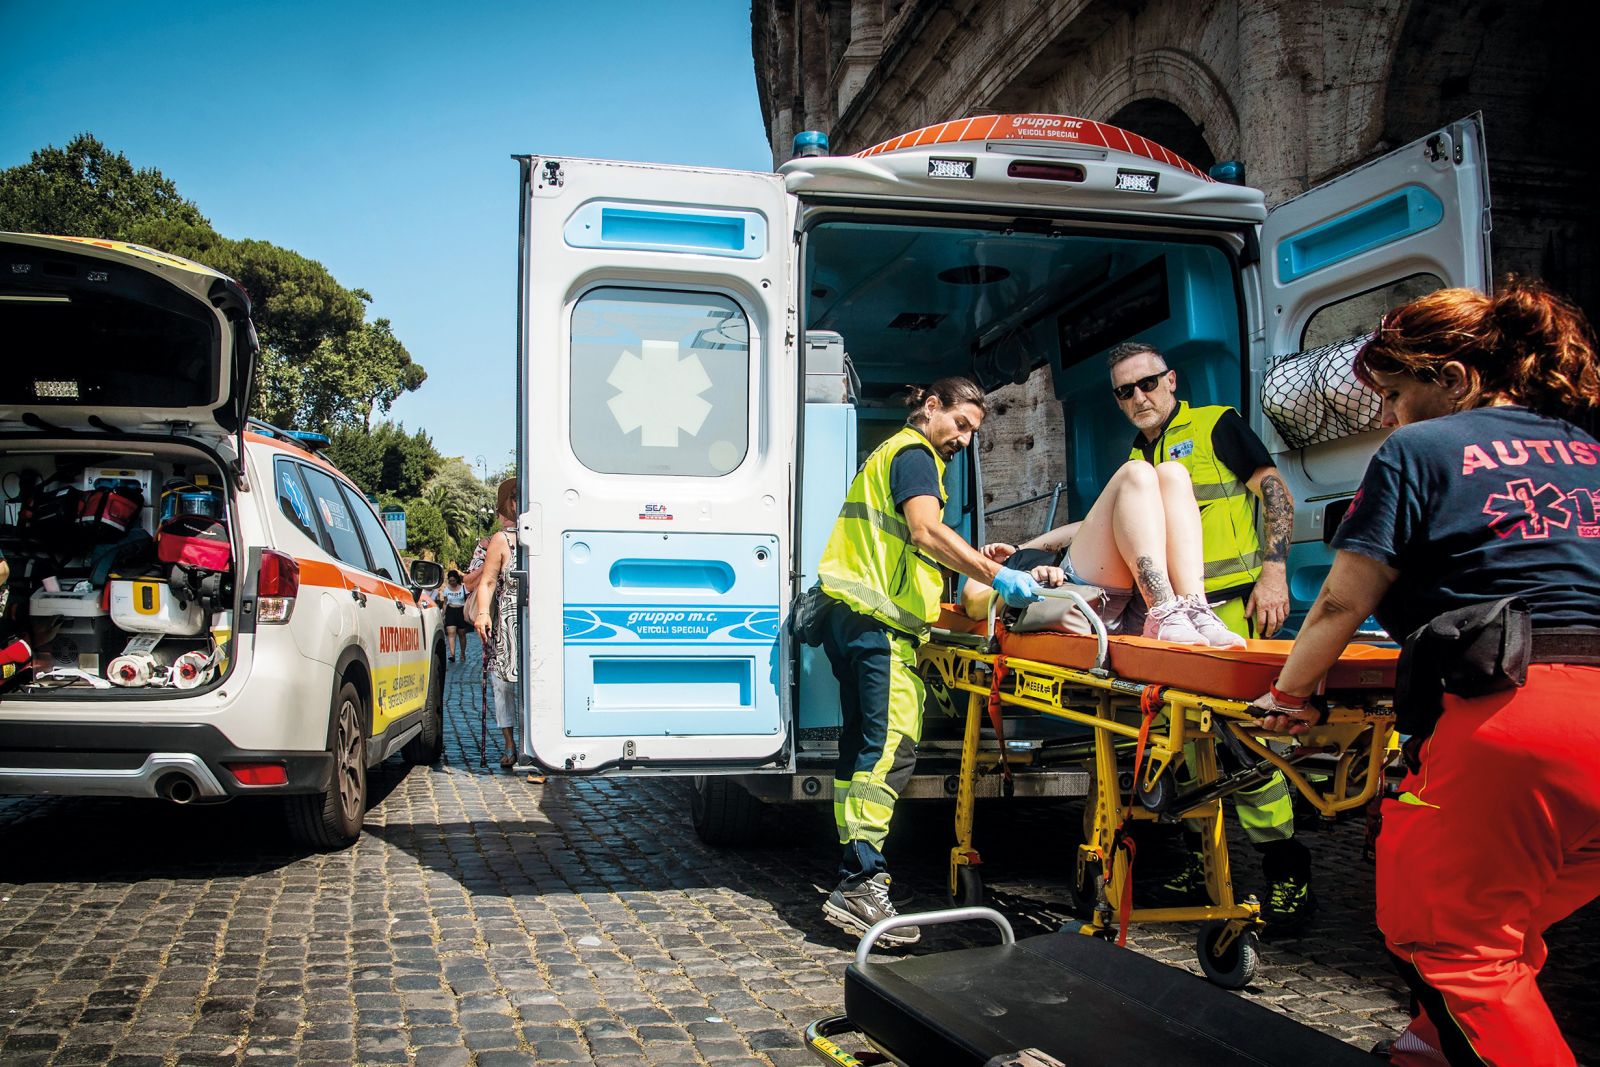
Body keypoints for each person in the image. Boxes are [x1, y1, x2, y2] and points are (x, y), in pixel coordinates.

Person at [1251, 279, 1600, 1066]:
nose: (1387, 416)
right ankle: (1429, 1043)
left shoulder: (1420, 450)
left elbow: (1342, 598)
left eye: (1398, 392)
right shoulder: (1586, 449)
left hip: (1519, 716)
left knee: (1449, 938)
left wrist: (1289, 694)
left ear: (1452, 377)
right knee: (1504, 916)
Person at [814, 377, 1043, 947]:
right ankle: (861, 884)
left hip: (852, 616)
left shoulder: (891, 453)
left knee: (861, 750)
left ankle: (856, 868)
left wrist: (969, 554)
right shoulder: (915, 454)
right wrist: (994, 575)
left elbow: (912, 541)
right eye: (961, 424)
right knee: (892, 746)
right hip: (880, 625)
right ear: (931, 406)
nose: (965, 440)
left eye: (974, 433)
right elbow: (924, 531)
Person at [1107, 341, 1314, 930]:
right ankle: (1204, 864)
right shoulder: (1137, 456)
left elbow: (1273, 489)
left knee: (1246, 746)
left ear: (1170, 380)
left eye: (1147, 384)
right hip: (1175, 622)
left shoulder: (1216, 424)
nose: (1139, 397)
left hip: (1235, 611)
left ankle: (1286, 868)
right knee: (1185, 745)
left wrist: (1275, 573)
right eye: (1125, 391)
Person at [959, 459, 1245, 648]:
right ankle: (1165, 615)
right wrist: (1028, 577)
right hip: (1087, 598)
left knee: (1173, 473)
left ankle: (1194, 608)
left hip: (1130, 594)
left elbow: (1084, 529)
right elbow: (972, 603)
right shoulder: (998, 571)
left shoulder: (1023, 553)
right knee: (1136, 473)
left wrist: (1025, 547)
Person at [474, 478, 525, 770]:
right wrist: (483, 613)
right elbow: (489, 581)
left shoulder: (546, 534)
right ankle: (509, 743)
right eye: (518, 497)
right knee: (502, 684)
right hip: (508, 620)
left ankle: (536, 745)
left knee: (538, 684)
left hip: (540, 618)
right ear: (512, 503)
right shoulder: (501, 540)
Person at [438, 570, 468, 663]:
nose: (452, 583)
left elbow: (467, 601)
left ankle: (462, 653)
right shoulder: (446, 589)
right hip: (451, 611)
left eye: (453, 580)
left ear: (457, 579)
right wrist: (442, 615)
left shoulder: (463, 588)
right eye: (450, 581)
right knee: (451, 633)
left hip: (461, 611)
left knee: (462, 634)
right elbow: (445, 603)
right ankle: (452, 654)